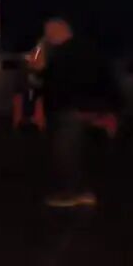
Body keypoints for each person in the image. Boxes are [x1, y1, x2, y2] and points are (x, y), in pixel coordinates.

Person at [34, 17, 114, 208]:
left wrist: (40, 56)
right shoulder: (81, 49)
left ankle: (72, 192)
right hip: (86, 105)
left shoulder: (68, 53)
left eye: (49, 33)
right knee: (75, 149)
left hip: (75, 107)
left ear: (60, 31)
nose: (47, 36)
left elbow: (47, 75)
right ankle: (82, 191)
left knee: (65, 151)